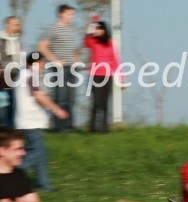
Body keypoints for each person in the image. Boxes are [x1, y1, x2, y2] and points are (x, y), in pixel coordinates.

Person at [14, 52, 69, 192]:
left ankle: (44, 185)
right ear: (35, 63)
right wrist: (57, 110)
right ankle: (11, 176)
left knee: (41, 153)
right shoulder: (31, 75)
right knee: (36, 153)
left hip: (27, 121)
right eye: (42, 62)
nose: (43, 66)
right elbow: (38, 96)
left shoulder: (23, 74)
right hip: (30, 122)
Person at [38, 4, 79, 132]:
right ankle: (59, 127)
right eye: (69, 14)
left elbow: (72, 50)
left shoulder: (71, 30)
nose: (71, 17)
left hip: (71, 68)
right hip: (59, 68)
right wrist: (54, 60)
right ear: (61, 14)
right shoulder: (54, 28)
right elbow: (42, 46)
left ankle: (69, 126)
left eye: (72, 14)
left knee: (70, 99)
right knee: (60, 98)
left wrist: (76, 61)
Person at [84, 18, 120, 133]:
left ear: (104, 30)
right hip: (95, 75)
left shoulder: (110, 44)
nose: (97, 30)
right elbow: (85, 42)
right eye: (96, 29)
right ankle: (93, 128)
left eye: (99, 28)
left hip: (108, 76)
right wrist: (92, 24)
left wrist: (121, 76)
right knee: (96, 103)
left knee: (105, 103)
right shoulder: (92, 41)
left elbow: (115, 60)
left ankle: (104, 128)